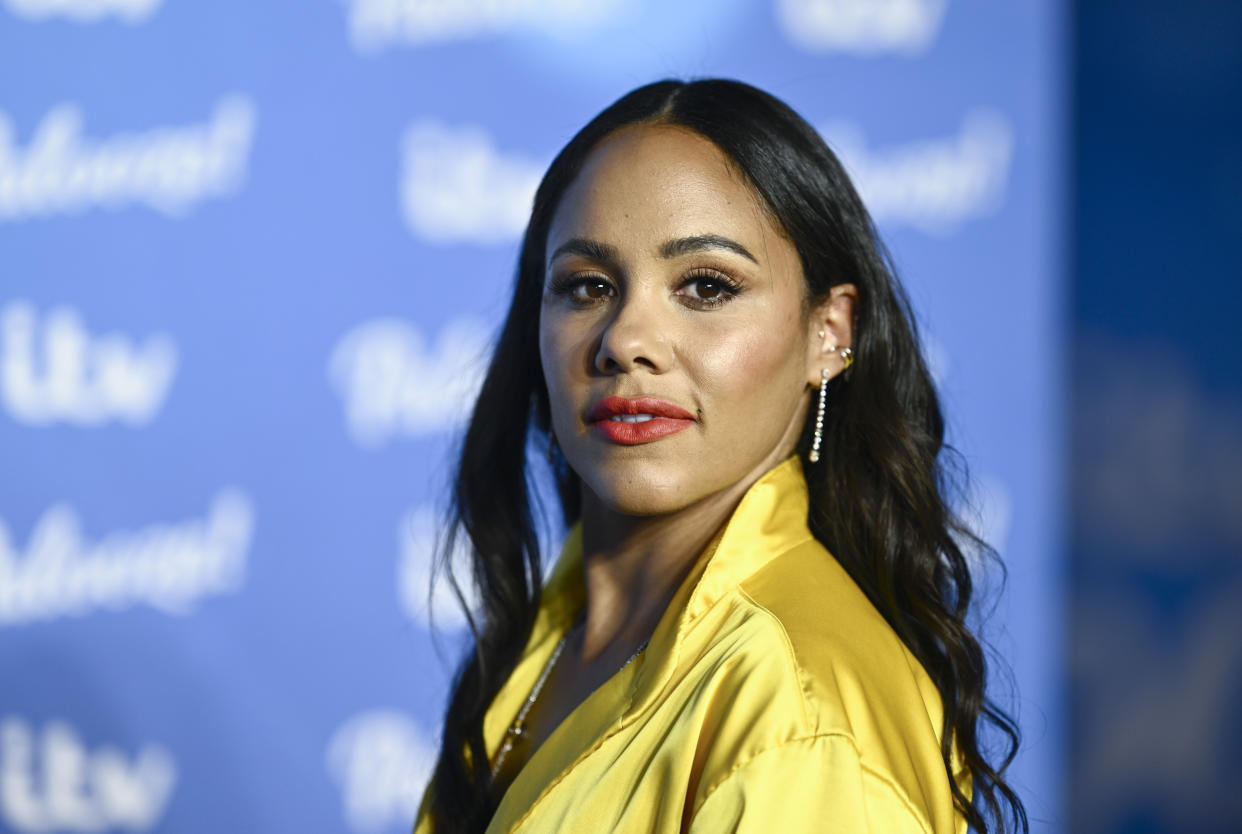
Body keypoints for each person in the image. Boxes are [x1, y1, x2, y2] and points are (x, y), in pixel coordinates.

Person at [415, 79, 1026, 833]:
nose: (626, 341)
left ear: (829, 332)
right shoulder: (559, 630)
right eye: (587, 286)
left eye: (706, 287)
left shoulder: (798, 710)